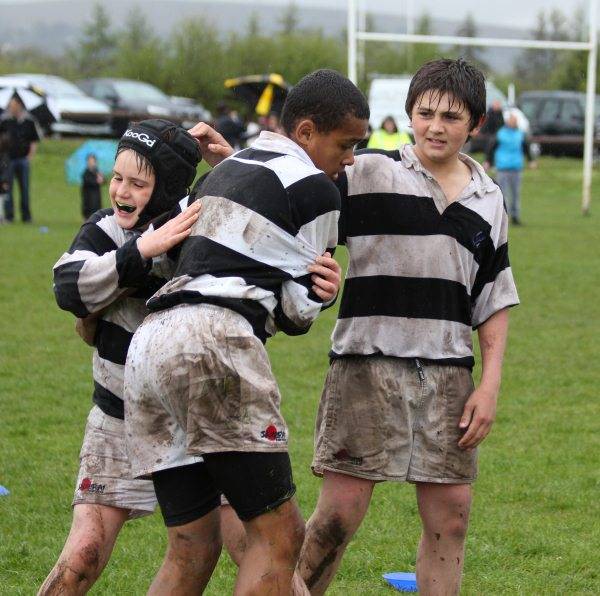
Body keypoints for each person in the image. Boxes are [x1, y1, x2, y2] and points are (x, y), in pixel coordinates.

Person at [124, 69, 369, 595]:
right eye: (345, 145)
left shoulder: (225, 170)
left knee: (192, 545)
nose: (349, 160)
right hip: (216, 340)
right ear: (305, 133)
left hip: (151, 342)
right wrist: (322, 293)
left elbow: (169, 253)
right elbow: (295, 312)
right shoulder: (318, 192)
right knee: (279, 538)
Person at [296, 58, 520, 596]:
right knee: (336, 519)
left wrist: (488, 388)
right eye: (425, 113)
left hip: (448, 379)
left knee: (451, 520)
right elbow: (294, 189)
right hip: (364, 368)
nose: (436, 126)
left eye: (451, 116)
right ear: (409, 115)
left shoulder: (489, 200)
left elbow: (493, 301)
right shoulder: (368, 172)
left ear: (476, 124)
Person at [39, 120, 205, 596]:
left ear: (167, 190)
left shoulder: (201, 228)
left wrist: (317, 291)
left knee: (209, 548)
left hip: (196, 421)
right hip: (117, 415)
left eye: (138, 182)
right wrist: (142, 251)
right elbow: (68, 287)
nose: (121, 191)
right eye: (118, 178)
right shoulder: (105, 230)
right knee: (83, 554)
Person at [484, 111, 536, 225]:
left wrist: (531, 160)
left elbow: (526, 148)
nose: (514, 122)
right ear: (507, 122)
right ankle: (502, 217)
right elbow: (491, 148)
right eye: (512, 120)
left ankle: (515, 217)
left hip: (516, 168)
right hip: (503, 168)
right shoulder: (500, 134)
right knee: (502, 194)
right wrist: (488, 161)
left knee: (515, 194)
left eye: (516, 121)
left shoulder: (520, 134)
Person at [0, 94, 41, 222]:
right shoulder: (5, 120)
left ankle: (26, 216)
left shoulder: (29, 121)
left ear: (19, 105)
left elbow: (34, 140)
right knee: (8, 188)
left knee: (24, 188)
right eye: (9, 106)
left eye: (13, 106)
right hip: (9, 160)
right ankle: (9, 215)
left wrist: (30, 156)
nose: (11, 108)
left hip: (23, 159)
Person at [80, 153, 104, 220]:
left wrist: (102, 178)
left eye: (93, 161)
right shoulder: (86, 172)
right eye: (90, 161)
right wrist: (97, 181)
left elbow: (103, 181)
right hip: (88, 197)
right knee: (88, 212)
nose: (91, 163)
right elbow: (88, 181)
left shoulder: (97, 171)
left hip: (96, 197)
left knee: (96, 212)